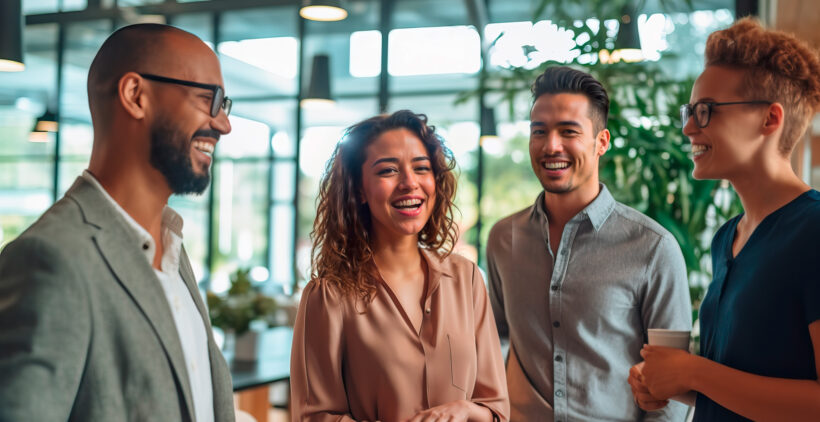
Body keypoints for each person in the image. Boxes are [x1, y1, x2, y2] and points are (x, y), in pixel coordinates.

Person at [0, 24, 234, 421]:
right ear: (135, 95)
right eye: (207, 99)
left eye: (225, 105)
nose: (224, 124)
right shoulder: (52, 259)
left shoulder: (173, 252)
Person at [628, 17, 820, 421]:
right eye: (691, 110)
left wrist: (695, 371)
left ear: (770, 119)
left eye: (706, 111)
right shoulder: (726, 238)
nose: (688, 127)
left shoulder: (813, 230)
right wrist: (677, 385)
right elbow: (742, 390)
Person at [486, 66, 692, 421]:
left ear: (602, 142)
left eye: (568, 131)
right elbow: (495, 341)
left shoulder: (654, 248)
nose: (551, 146)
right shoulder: (504, 238)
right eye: (539, 132)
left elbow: (672, 388)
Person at [290, 110, 509, 422]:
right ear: (360, 189)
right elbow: (314, 416)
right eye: (388, 171)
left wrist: (465, 410)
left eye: (421, 168)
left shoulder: (467, 279)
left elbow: (496, 408)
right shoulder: (328, 295)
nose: (410, 183)